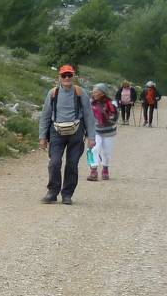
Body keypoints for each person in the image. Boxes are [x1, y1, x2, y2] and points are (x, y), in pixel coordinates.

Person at [38, 64, 95, 205]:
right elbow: (45, 116)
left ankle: (67, 195)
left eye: (69, 75)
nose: (67, 78)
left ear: (74, 76)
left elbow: (88, 115)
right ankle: (52, 192)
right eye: (64, 75)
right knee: (54, 163)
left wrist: (91, 137)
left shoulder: (80, 93)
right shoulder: (52, 93)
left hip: (76, 132)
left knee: (72, 164)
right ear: (59, 77)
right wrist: (42, 137)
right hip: (56, 132)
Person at [87, 83, 118, 181]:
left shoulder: (111, 104)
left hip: (109, 131)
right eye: (94, 91)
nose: (94, 93)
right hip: (95, 131)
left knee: (107, 152)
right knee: (93, 149)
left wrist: (106, 114)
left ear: (102, 93)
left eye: (96, 91)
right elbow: (87, 116)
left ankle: (105, 169)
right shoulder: (90, 103)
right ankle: (93, 170)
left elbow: (115, 118)